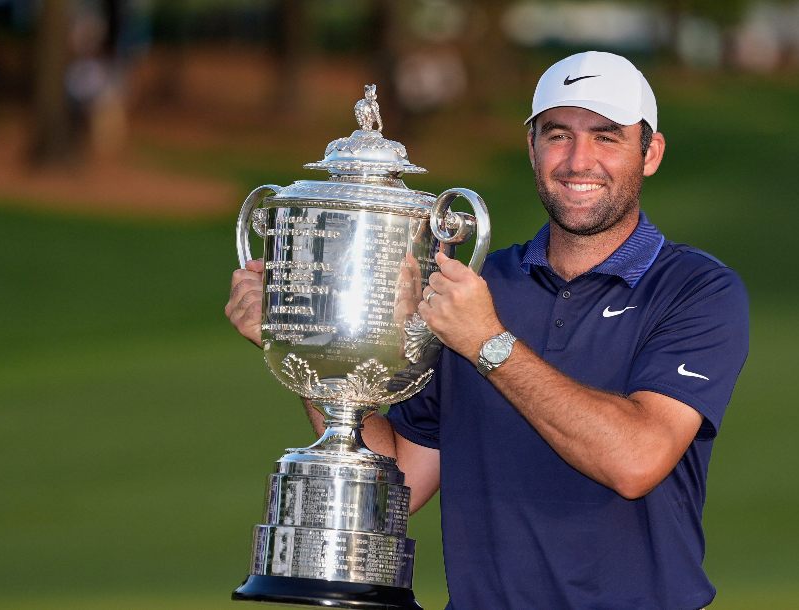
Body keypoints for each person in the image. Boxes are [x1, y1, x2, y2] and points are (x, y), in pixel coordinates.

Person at [227, 51, 749, 610]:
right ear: (531, 147)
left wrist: (486, 343)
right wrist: (306, 344)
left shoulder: (695, 289)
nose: (578, 160)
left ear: (650, 154)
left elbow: (635, 461)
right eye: (557, 135)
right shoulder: (473, 285)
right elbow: (401, 480)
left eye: (606, 137)